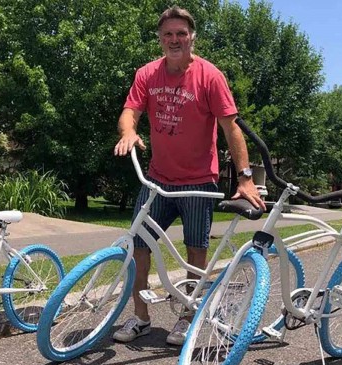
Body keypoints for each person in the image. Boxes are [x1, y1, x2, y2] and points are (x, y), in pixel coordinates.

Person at [113, 6, 266, 345]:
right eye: (168, 34)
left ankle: (187, 315)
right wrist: (128, 132)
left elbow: (231, 127)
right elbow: (130, 112)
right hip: (157, 179)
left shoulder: (210, 76)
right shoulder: (147, 74)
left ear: (192, 37)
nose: (174, 39)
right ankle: (140, 317)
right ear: (160, 38)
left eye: (181, 33)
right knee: (139, 245)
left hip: (198, 181)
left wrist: (244, 177)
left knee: (196, 249)